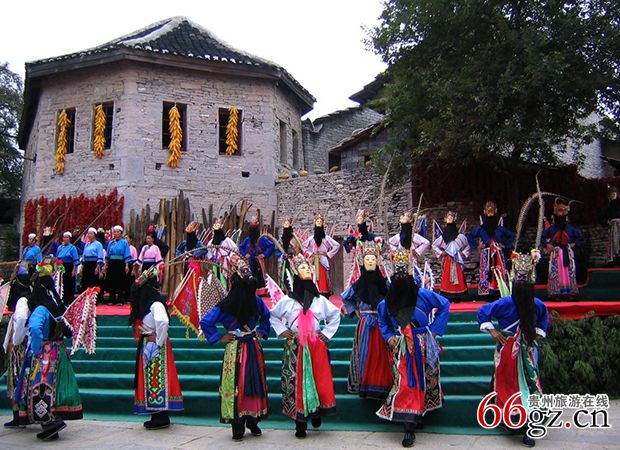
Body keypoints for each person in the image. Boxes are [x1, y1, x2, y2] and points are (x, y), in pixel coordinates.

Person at [376, 249, 450, 448]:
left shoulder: (423, 295)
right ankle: (408, 427)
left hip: (422, 343)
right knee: (406, 383)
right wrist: (389, 336)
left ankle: (418, 413)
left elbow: (445, 304)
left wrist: (434, 331)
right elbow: (382, 320)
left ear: (410, 273)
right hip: (401, 346)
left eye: (404, 272)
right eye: (397, 273)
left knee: (424, 380)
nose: (401, 277)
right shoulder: (386, 302)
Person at [477, 250, 549, 447]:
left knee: (529, 384)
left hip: (527, 350)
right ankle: (510, 416)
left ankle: (528, 425)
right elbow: (483, 311)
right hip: (507, 351)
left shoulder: (537, 305)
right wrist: (492, 331)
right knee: (507, 385)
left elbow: (544, 318)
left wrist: (536, 333)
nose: (523, 282)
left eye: (526, 279)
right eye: (520, 279)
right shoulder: (505, 303)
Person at [200, 255, 270, 441]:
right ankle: (241, 423)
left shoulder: (247, 302)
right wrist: (219, 337)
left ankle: (249, 421)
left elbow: (266, 316)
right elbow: (205, 322)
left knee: (249, 382)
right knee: (240, 383)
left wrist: (262, 330)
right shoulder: (241, 303)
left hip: (244, 347)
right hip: (243, 347)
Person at [269, 254, 341, 438]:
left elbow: (335, 315)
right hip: (295, 346)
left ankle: (317, 412)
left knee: (318, 380)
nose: (307, 270)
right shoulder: (287, 300)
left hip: (315, 344)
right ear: (296, 274)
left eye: (309, 268)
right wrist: (282, 330)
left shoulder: (320, 300)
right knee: (296, 381)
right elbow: (273, 315)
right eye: (303, 268)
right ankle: (299, 422)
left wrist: (326, 334)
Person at [14, 256, 83, 440]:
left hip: (45, 352)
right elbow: (67, 328)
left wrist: (37, 349)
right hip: (58, 349)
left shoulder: (41, 308)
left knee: (40, 387)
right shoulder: (56, 307)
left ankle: (49, 422)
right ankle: (55, 419)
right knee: (54, 386)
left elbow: (35, 328)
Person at [129, 268, 184, 429]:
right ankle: (157, 414)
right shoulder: (149, 305)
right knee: (151, 378)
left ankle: (160, 415)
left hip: (155, 345)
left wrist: (158, 340)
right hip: (149, 342)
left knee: (156, 378)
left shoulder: (155, 304)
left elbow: (163, 322)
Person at [341, 240, 392, 400]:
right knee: (365, 353)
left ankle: (383, 385)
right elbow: (345, 297)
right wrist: (354, 311)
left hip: (382, 324)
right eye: (367, 259)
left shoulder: (385, 284)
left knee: (382, 356)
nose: (370, 261)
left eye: (373, 259)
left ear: (377, 261)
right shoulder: (358, 285)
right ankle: (365, 384)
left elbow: (393, 299)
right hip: (365, 324)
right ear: (362, 261)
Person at [467, 201, 515, 298]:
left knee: (499, 270)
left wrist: (505, 245)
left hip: (498, 253)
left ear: (495, 211)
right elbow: (469, 235)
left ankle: (500, 290)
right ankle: (488, 292)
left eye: (492, 210)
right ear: (485, 211)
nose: (490, 212)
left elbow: (512, 236)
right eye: (488, 210)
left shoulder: (499, 228)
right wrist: (477, 246)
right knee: (487, 271)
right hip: (486, 252)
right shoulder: (481, 228)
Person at [3, 278, 31, 428]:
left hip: (18, 349)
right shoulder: (28, 300)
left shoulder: (22, 302)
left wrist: (15, 340)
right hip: (23, 346)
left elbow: (20, 319)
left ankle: (18, 417)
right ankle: (23, 415)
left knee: (16, 381)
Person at [541, 199, 583, 300]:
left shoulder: (571, 229)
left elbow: (580, 238)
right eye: (558, 214)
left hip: (567, 252)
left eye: (562, 214)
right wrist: (547, 245)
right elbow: (542, 237)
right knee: (556, 272)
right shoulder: (551, 229)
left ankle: (570, 293)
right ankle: (556, 293)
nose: (560, 216)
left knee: (568, 272)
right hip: (556, 253)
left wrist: (574, 244)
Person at [432, 211, 470, 301]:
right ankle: (447, 295)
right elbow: (434, 245)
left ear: (454, 219)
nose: (449, 219)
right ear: (445, 219)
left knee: (458, 275)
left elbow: (467, 246)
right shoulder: (443, 237)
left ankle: (458, 295)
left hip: (457, 259)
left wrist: (463, 253)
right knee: (447, 276)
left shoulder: (460, 237)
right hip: (448, 259)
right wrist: (441, 253)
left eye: (451, 217)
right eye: (448, 218)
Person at [388, 212, 431, 288]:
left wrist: (416, 251)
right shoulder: (399, 236)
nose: (402, 216)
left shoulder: (414, 236)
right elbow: (389, 242)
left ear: (410, 220)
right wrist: (395, 250)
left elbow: (426, 242)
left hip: (411, 260)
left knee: (412, 278)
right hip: (399, 260)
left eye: (405, 216)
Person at [301, 214, 340, 296]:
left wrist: (328, 254)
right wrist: (310, 254)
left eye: (320, 222)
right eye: (317, 221)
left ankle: (323, 293)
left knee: (323, 277)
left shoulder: (327, 238)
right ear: (315, 223)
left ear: (323, 224)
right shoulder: (311, 238)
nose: (319, 223)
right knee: (313, 276)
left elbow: (337, 245)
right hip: (313, 260)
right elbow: (303, 246)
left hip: (322, 260)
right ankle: (312, 292)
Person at [238, 215, 275, 290]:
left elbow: (271, 246)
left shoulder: (262, 239)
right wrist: (245, 254)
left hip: (258, 263)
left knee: (260, 281)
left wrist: (264, 254)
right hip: (249, 262)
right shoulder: (248, 240)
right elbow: (241, 247)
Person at [206, 217, 238, 288]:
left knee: (225, 278)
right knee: (215, 278)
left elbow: (235, 249)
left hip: (225, 262)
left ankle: (225, 290)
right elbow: (208, 251)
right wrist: (211, 258)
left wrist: (228, 257)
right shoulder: (211, 242)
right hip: (215, 263)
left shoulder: (227, 240)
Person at [103, 225, 132, 305]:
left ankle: (120, 299)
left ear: (121, 233)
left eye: (117, 232)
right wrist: (106, 265)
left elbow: (126, 254)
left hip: (120, 263)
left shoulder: (124, 242)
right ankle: (111, 299)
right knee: (111, 280)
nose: (116, 233)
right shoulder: (111, 243)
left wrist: (126, 265)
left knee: (120, 280)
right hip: (112, 263)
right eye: (114, 232)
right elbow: (108, 255)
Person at [80, 228, 104, 303]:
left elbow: (100, 255)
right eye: (88, 233)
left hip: (94, 264)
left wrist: (97, 267)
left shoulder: (98, 244)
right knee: (86, 281)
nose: (89, 235)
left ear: (95, 235)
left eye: (91, 233)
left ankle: (95, 299)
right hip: (87, 264)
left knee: (94, 281)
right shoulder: (86, 244)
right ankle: (86, 299)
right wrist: (82, 266)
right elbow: (84, 256)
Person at [56, 231, 80, 305]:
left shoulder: (72, 248)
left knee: (69, 283)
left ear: (70, 239)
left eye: (67, 237)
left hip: (69, 266)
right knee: (61, 282)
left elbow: (75, 259)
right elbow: (57, 257)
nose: (65, 239)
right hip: (61, 266)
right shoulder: (60, 247)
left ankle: (69, 299)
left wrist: (74, 270)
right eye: (64, 237)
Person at [605, 186, 620, 265]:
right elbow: (606, 215)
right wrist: (607, 221)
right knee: (614, 242)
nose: (613, 195)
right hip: (613, 225)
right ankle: (615, 258)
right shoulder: (610, 205)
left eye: (614, 193)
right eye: (611, 194)